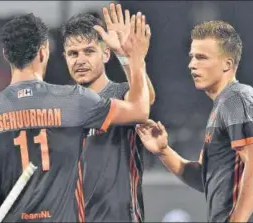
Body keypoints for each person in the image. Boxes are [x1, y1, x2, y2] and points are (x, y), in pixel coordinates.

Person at [0, 12, 150, 222]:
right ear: (44, 51)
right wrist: (132, 58)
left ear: (6, 55)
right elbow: (140, 109)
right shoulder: (73, 100)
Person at [136, 20, 253, 222]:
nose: (192, 64)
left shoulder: (236, 98)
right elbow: (204, 180)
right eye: (192, 57)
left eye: (202, 57)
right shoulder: (222, 106)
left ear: (227, 64)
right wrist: (164, 151)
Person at [61, 4, 154, 222]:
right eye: (73, 53)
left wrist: (129, 57)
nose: (80, 60)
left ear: (106, 53)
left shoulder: (121, 93)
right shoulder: (61, 105)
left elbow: (145, 100)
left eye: (89, 51)